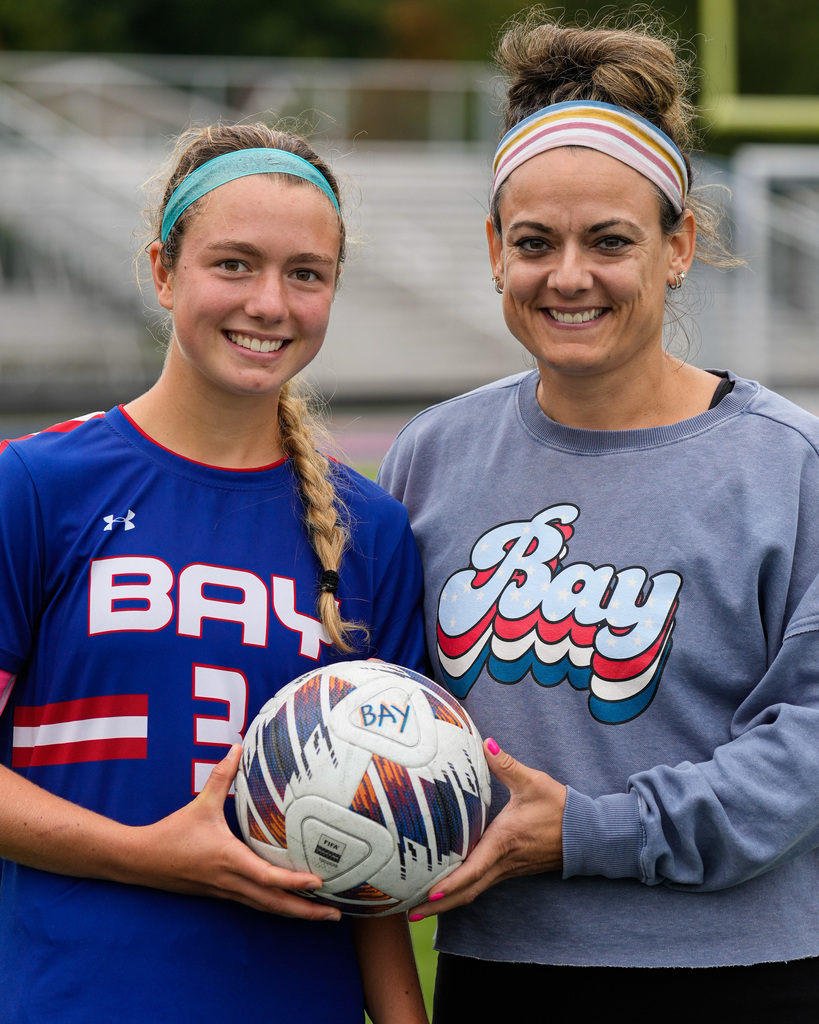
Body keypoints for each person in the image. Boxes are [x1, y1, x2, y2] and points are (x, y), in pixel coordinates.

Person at [378, 13, 819, 1022]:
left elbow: (805, 750)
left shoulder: (787, 463)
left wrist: (588, 829)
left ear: (679, 247)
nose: (567, 275)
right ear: (495, 251)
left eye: (610, 241)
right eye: (534, 242)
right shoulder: (434, 455)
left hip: (742, 975)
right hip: (505, 967)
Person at [0, 122, 428, 1024]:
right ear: (163, 270)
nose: (269, 302)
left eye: (305, 273)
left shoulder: (373, 533)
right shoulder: (35, 487)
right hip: (70, 999)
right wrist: (151, 854)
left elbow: (385, 849)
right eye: (233, 264)